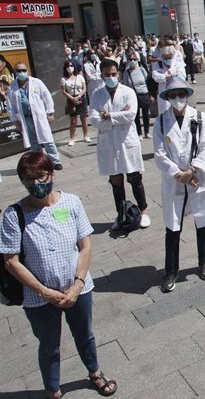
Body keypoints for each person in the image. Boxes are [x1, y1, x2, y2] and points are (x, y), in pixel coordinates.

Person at [0, 151, 118, 399]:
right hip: (38, 297)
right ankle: (53, 389)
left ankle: (94, 373)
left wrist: (77, 284)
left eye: (41, 176)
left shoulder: (72, 202)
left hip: (78, 288)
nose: (36, 184)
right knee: (49, 345)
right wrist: (44, 291)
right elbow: (11, 262)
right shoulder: (14, 215)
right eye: (29, 179)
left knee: (85, 334)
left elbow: (85, 246)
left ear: (52, 174)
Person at [152, 78, 205, 293]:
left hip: (197, 176)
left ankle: (203, 260)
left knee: (203, 220)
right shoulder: (161, 122)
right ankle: (171, 270)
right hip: (175, 180)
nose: (177, 99)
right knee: (173, 225)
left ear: (187, 95)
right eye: (172, 95)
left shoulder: (200, 117)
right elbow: (160, 153)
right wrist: (178, 174)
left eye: (181, 94)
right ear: (167, 98)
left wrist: (192, 170)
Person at [88, 59, 151, 230]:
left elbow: (131, 115)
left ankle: (143, 210)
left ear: (119, 74)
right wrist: (116, 116)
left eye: (113, 74)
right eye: (107, 75)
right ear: (101, 75)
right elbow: (93, 119)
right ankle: (121, 214)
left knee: (134, 177)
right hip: (109, 142)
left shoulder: (128, 92)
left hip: (126, 140)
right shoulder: (96, 95)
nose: (111, 77)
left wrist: (107, 116)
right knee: (116, 180)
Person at [7, 62, 63, 170]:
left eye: (23, 70)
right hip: (25, 118)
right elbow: (10, 106)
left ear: (27, 70)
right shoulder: (12, 87)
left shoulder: (37, 82)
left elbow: (47, 97)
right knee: (34, 142)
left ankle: (55, 161)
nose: (21, 72)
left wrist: (50, 112)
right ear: (15, 72)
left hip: (39, 116)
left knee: (48, 140)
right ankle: (41, 162)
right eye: (19, 70)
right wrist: (15, 120)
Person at [122, 51, 153, 139]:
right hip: (134, 96)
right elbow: (125, 86)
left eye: (134, 59)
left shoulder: (142, 69)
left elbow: (148, 82)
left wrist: (151, 95)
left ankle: (146, 132)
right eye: (130, 59)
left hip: (144, 94)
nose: (132, 61)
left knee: (146, 114)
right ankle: (139, 133)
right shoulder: (126, 73)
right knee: (136, 115)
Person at [61, 59, 90, 146]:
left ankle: (86, 136)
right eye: (68, 66)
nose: (69, 68)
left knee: (84, 118)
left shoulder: (80, 76)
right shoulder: (64, 79)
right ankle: (72, 138)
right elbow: (64, 91)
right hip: (71, 99)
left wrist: (78, 96)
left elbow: (84, 88)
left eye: (71, 65)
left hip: (81, 97)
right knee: (73, 120)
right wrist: (73, 99)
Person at [152, 46, 187, 115]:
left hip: (176, 91)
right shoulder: (157, 65)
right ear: (162, 57)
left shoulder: (178, 64)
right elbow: (155, 76)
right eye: (165, 58)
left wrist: (170, 75)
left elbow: (182, 76)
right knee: (165, 114)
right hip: (163, 91)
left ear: (173, 56)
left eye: (169, 57)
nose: (167, 59)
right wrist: (165, 77)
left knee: (178, 112)